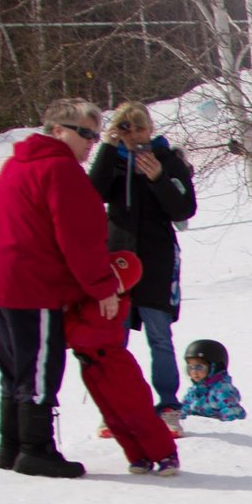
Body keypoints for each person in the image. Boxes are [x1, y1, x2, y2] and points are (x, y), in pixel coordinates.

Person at [0, 97, 122, 478]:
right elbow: (81, 237)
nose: (91, 143)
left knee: (14, 368)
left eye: (95, 135)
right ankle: (36, 449)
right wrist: (103, 287)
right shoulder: (61, 171)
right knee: (39, 367)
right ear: (57, 131)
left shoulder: (15, 165)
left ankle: (11, 445)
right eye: (85, 133)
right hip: (30, 285)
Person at [87, 101, 199, 432]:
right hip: (118, 261)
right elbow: (92, 193)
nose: (134, 136)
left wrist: (159, 178)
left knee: (159, 336)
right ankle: (115, 408)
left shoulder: (168, 160)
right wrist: (108, 148)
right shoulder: (114, 162)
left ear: (151, 129)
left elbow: (184, 209)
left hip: (156, 261)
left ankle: (168, 406)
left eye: (139, 128)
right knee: (114, 338)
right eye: (126, 129)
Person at [68, 251, 181, 474]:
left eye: (116, 281)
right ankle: (138, 456)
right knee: (114, 417)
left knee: (137, 413)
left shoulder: (113, 305)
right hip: (92, 369)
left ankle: (166, 454)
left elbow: (83, 335)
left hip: (116, 369)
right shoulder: (92, 299)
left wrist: (65, 325)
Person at [179, 338, 246, 421]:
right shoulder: (194, 390)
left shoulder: (222, 390)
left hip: (219, 429)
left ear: (214, 367)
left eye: (199, 367)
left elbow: (231, 411)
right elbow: (183, 408)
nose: (194, 372)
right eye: (190, 367)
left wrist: (225, 426)